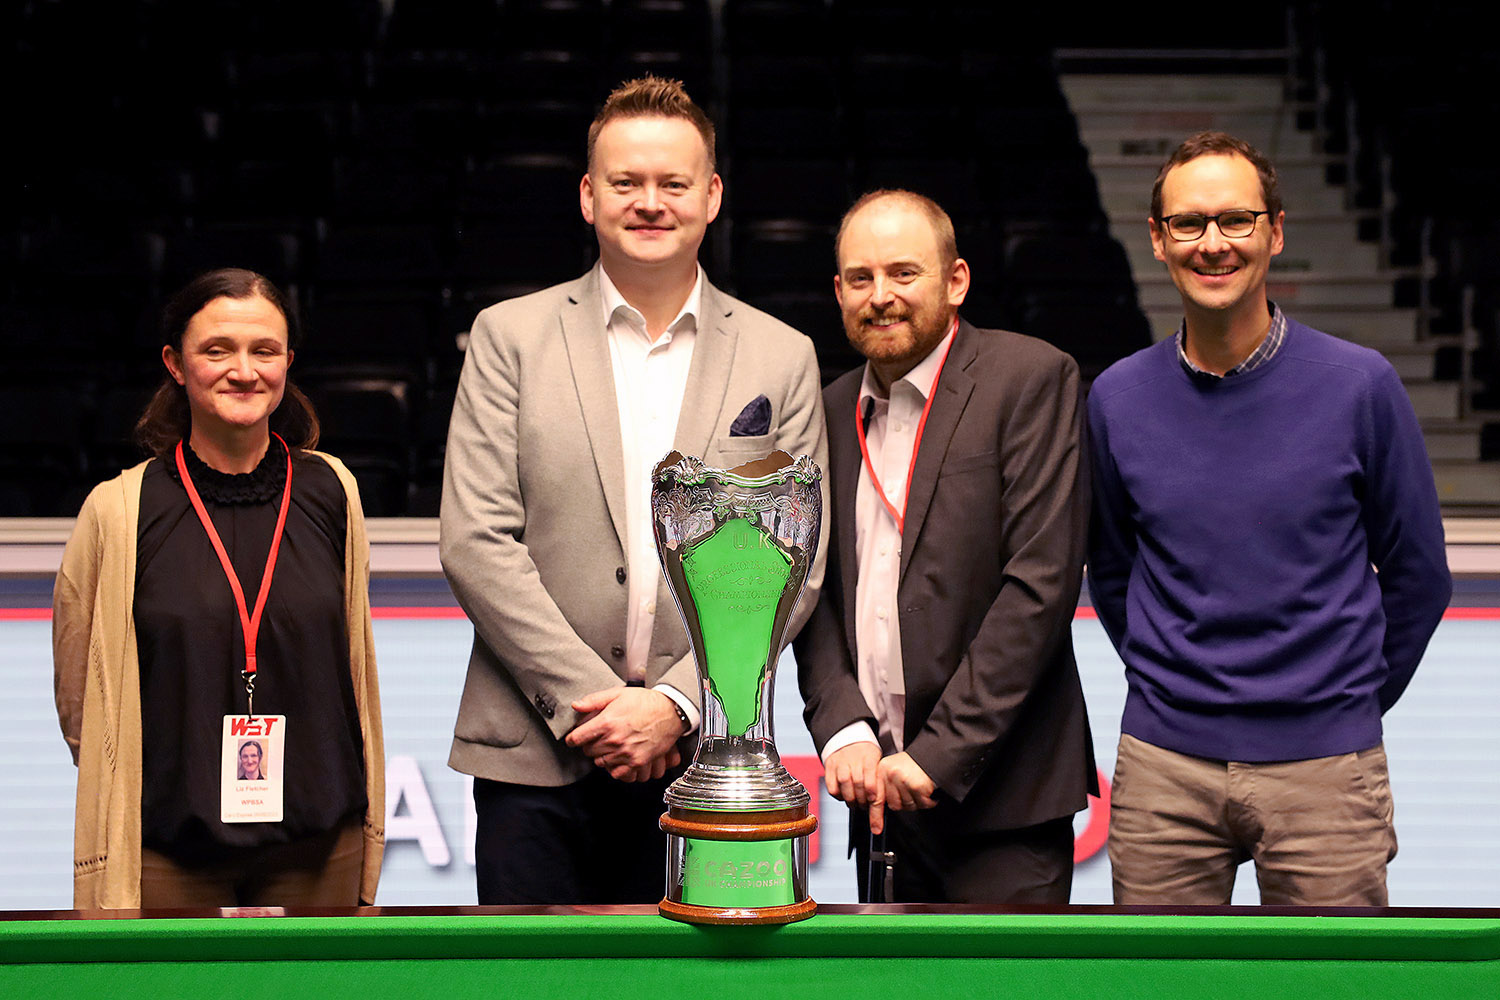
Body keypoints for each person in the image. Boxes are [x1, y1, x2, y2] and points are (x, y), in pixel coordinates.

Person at [440, 76, 828, 905]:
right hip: (532, 756)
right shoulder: (507, 337)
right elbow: (476, 540)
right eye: (625, 182)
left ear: (712, 196)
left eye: (672, 183)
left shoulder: (781, 353)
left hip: (708, 759)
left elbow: (800, 563)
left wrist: (676, 706)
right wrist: (600, 709)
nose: (649, 202)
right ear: (588, 196)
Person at [1087, 131, 1451, 906]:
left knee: (1333, 990)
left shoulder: (1361, 386)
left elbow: (1420, 577)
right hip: (1163, 766)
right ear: (1157, 239)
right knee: (1156, 991)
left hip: (1328, 770)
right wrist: (1170, 684)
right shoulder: (1116, 397)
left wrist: (1342, 702)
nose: (1212, 243)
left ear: (1275, 232)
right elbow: (1114, 569)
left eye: (1236, 221)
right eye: (1188, 224)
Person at [794, 190, 1096, 903]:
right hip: (877, 803)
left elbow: (1039, 587)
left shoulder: (1029, 379)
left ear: (956, 280)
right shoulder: (829, 410)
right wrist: (841, 729)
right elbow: (807, 591)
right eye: (861, 279)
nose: (882, 297)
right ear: (838, 292)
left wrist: (937, 755)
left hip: (1003, 804)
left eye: (904, 273)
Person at [53, 268, 385, 909]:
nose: (244, 370)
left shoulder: (332, 490)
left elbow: (350, 666)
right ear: (176, 364)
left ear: (288, 361)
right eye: (217, 350)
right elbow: (82, 701)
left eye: (264, 351)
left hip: (320, 845)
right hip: (166, 849)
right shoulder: (118, 509)